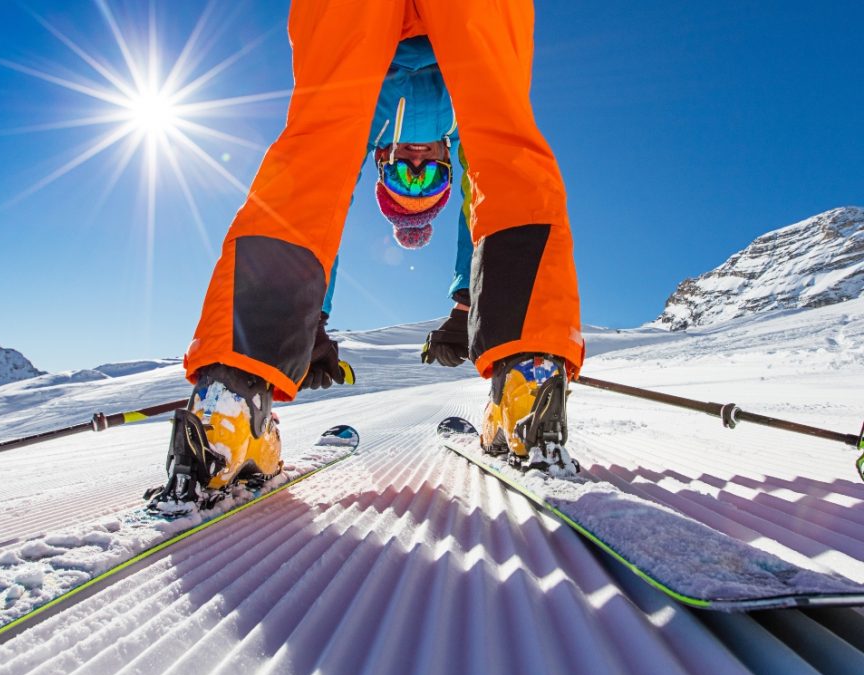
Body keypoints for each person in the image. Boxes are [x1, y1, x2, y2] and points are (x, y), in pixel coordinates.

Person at [151, 0, 584, 509]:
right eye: (413, 175)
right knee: (501, 136)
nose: (416, 163)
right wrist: (314, 316)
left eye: (418, 176)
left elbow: (323, 193)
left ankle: (230, 407)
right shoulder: (444, 119)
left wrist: (466, 303)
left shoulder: (378, 121)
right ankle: (527, 386)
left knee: (317, 148)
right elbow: (485, 183)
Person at [302, 35, 473, 391]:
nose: (416, 162)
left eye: (403, 178)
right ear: (448, 163)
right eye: (429, 177)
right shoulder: (464, 118)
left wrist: (308, 314)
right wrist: (470, 300)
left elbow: (324, 204)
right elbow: (481, 199)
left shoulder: (363, 121)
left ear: (381, 160)